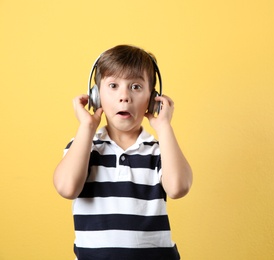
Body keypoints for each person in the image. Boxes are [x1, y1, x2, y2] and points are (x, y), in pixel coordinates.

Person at [53, 45, 193, 260]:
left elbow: (178, 188)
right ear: (96, 96)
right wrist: (87, 127)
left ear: (153, 98)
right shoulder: (84, 146)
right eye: (113, 85)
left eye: (136, 86)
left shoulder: (159, 150)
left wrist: (164, 127)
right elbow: (66, 188)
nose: (124, 96)